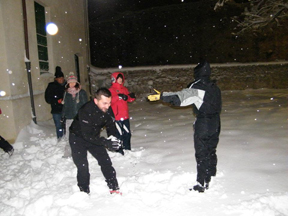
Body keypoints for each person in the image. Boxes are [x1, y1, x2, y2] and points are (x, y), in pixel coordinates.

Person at [148, 60, 222, 193]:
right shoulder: (214, 86)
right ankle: (211, 174)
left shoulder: (198, 86)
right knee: (211, 149)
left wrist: (162, 96)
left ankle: (202, 183)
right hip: (216, 122)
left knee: (202, 152)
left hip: (204, 122)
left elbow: (180, 98)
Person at [69, 87, 122, 194]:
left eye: (109, 103)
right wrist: (105, 142)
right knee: (83, 166)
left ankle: (114, 187)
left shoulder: (107, 109)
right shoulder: (85, 111)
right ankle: (84, 191)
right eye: (104, 103)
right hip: (77, 138)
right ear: (96, 101)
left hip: (94, 136)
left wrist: (113, 138)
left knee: (105, 161)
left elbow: (111, 125)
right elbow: (87, 136)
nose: (107, 106)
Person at [61, 72, 88, 158]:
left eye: (73, 82)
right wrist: (63, 115)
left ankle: (80, 151)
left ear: (76, 83)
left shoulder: (82, 92)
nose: (72, 84)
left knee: (80, 136)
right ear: (68, 84)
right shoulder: (66, 94)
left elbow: (85, 105)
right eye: (70, 82)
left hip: (79, 118)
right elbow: (65, 106)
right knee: (69, 136)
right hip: (69, 117)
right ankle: (68, 153)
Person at [109, 72, 136, 154]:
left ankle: (127, 150)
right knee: (118, 135)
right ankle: (119, 151)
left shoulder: (124, 89)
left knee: (127, 134)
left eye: (121, 78)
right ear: (114, 79)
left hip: (125, 116)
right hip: (117, 117)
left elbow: (128, 98)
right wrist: (118, 96)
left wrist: (131, 97)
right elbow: (109, 101)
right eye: (118, 78)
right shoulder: (111, 90)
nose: (120, 80)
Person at [45, 66, 66, 140]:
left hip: (66, 109)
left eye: (62, 78)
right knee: (59, 126)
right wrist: (56, 101)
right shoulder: (52, 86)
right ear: (56, 79)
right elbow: (48, 99)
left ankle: (67, 139)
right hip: (56, 110)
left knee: (67, 125)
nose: (61, 80)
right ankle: (60, 139)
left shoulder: (67, 86)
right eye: (59, 78)